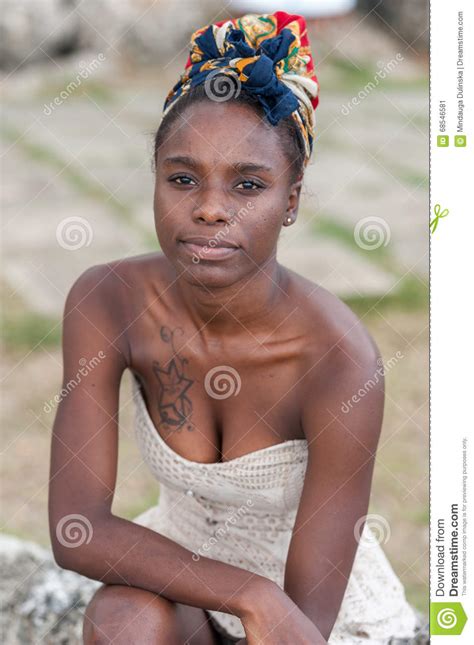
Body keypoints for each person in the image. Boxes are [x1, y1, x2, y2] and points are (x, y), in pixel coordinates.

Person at [48, 11, 418, 645]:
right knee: (122, 622)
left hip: (318, 623)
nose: (210, 207)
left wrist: (264, 605)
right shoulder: (108, 300)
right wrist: (248, 592)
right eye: (183, 178)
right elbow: (76, 526)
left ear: (292, 199)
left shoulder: (337, 360)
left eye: (249, 184)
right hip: (192, 584)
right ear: (156, 181)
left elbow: (298, 625)